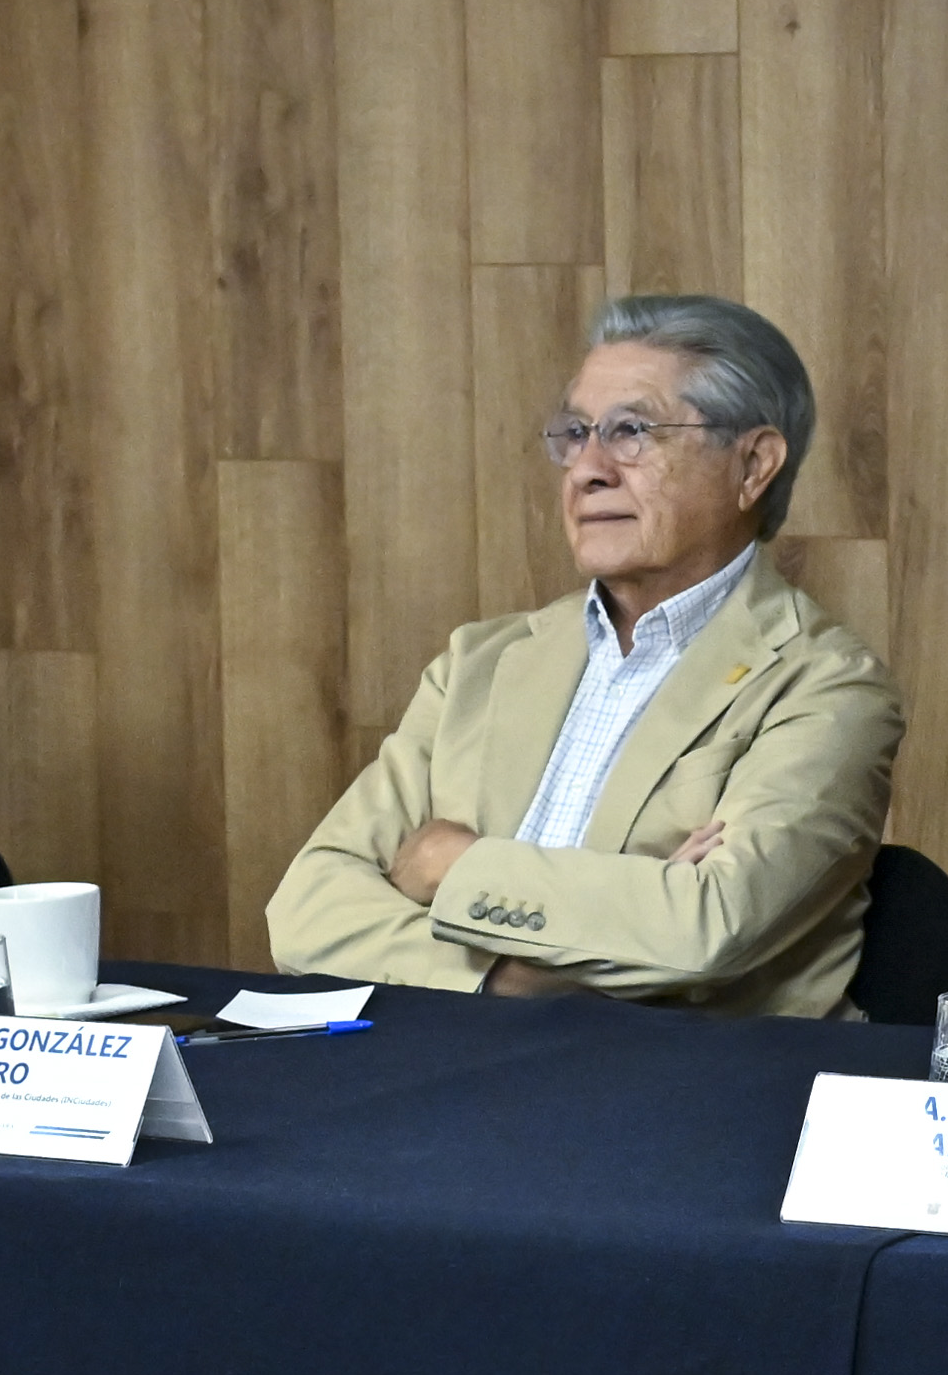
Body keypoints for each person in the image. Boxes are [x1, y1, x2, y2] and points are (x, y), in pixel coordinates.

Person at [264, 295, 898, 1014]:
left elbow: (705, 926)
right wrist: (518, 978)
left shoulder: (829, 686)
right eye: (575, 433)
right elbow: (305, 911)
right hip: (446, 1060)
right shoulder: (479, 663)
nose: (586, 470)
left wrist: (452, 867)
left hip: (680, 1078)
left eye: (631, 431)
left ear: (752, 465)